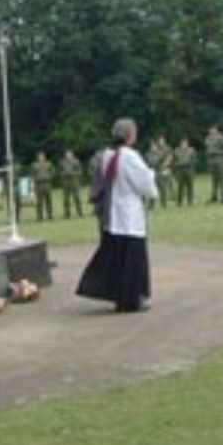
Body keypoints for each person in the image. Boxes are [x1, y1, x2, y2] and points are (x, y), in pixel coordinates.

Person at [76, 118, 158, 313]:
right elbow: (145, 184)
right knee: (133, 261)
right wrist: (152, 175)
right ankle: (133, 298)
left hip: (112, 216)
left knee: (118, 259)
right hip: (129, 216)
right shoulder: (130, 156)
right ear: (131, 136)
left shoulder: (105, 155)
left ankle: (120, 298)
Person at [205, 126, 223, 202]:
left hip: (220, 159)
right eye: (210, 131)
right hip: (211, 160)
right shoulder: (208, 139)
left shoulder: (222, 138)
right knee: (213, 179)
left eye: (213, 131)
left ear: (217, 131)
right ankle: (214, 196)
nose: (211, 132)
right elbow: (207, 149)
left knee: (221, 179)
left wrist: (218, 152)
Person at [60, 150, 85, 219]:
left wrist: (73, 173)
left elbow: (80, 171)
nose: (68, 155)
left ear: (72, 155)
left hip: (74, 181)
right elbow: (60, 172)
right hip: (66, 182)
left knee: (77, 197)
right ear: (65, 155)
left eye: (70, 154)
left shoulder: (76, 161)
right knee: (66, 199)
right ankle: (67, 214)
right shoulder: (62, 162)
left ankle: (80, 213)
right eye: (67, 154)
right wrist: (64, 174)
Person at [31, 151, 55, 221]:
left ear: (45, 157)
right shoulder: (34, 165)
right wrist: (35, 180)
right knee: (39, 202)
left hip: (47, 184)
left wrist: (49, 177)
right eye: (39, 156)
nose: (41, 158)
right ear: (37, 157)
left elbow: (53, 172)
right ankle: (39, 216)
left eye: (42, 156)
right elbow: (32, 174)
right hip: (39, 185)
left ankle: (50, 215)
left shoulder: (48, 164)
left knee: (49, 201)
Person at [173, 138, 196, 206]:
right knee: (180, 187)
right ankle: (179, 202)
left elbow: (194, 160)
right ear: (180, 144)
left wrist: (192, 168)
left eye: (185, 143)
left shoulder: (191, 150)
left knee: (190, 186)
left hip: (189, 170)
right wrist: (177, 165)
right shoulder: (177, 150)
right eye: (182, 143)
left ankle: (190, 201)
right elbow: (174, 160)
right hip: (180, 170)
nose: (184, 145)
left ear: (187, 144)